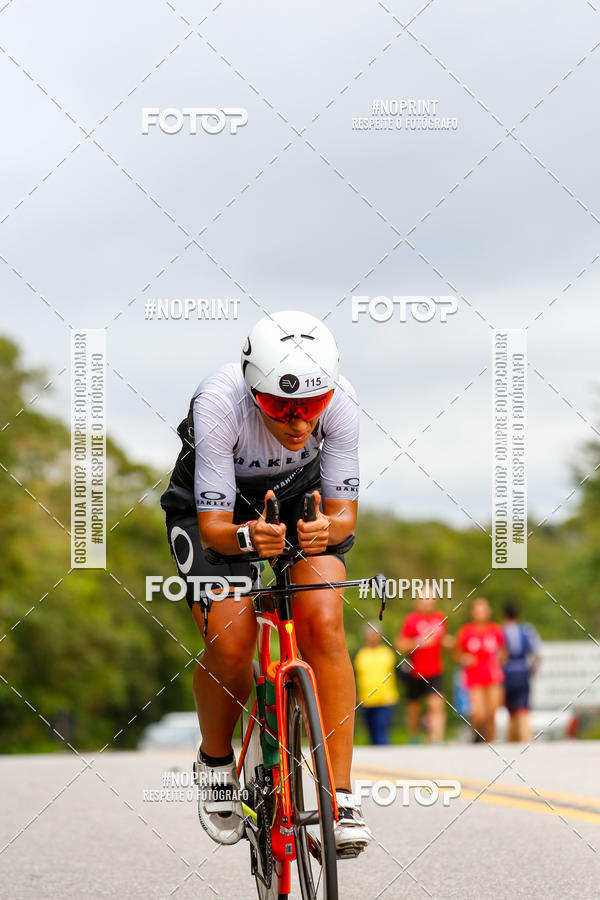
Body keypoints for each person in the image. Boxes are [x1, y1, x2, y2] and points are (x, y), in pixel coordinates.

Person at [160, 310, 371, 851]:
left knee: (323, 623)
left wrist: (326, 529)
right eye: (281, 407)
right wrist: (250, 541)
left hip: (301, 498)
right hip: (219, 512)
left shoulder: (342, 400)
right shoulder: (218, 402)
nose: (299, 422)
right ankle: (214, 761)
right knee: (232, 642)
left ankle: (341, 798)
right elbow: (213, 530)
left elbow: (345, 515)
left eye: (311, 407)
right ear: (254, 389)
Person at [395, 590, 450, 743]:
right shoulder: (411, 620)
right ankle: (414, 737)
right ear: (417, 601)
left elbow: (442, 638)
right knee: (414, 708)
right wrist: (420, 641)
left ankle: (435, 741)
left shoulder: (440, 618)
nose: (428, 602)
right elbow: (400, 645)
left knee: (436, 705)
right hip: (416, 671)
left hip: (435, 670)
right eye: (424, 598)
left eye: (430, 598)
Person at [454, 597, 506, 742]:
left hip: (492, 674)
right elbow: (456, 653)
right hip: (474, 675)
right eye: (477, 610)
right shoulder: (466, 631)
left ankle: (490, 743)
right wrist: (464, 658)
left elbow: (503, 652)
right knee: (479, 714)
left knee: (492, 712)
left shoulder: (495, 630)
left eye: (483, 610)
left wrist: (500, 658)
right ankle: (477, 737)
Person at [354, 622, 399, 745]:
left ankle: (384, 754)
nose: (373, 637)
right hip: (366, 700)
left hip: (386, 699)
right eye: (370, 634)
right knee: (372, 732)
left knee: (381, 731)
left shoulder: (387, 653)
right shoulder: (360, 654)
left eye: (376, 634)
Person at [502, 603, 541, 742]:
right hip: (522, 671)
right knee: (523, 711)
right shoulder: (527, 630)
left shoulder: (500, 631)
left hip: (506, 673)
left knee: (511, 713)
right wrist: (532, 670)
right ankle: (526, 744)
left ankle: (512, 748)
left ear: (504, 616)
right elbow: (537, 654)